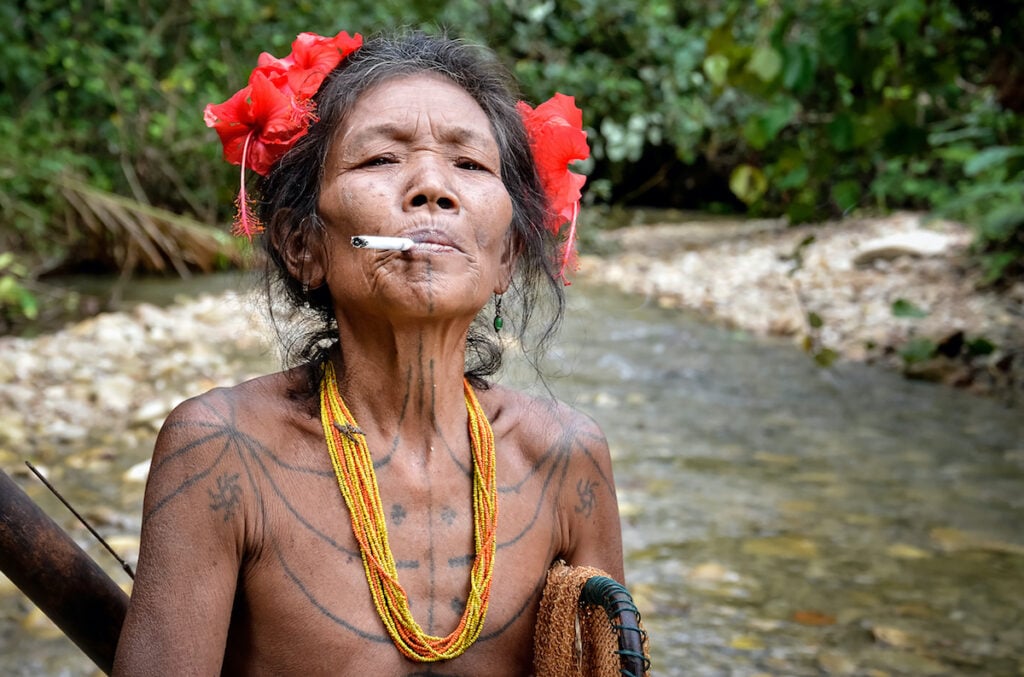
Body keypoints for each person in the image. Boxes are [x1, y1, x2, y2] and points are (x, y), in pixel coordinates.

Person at [113, 29, 624, 675]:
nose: (433, 188)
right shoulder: (221, 450)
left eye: (470, 165)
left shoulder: (568, 457)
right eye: (381, 159)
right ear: (304, 245)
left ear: (505, 257)